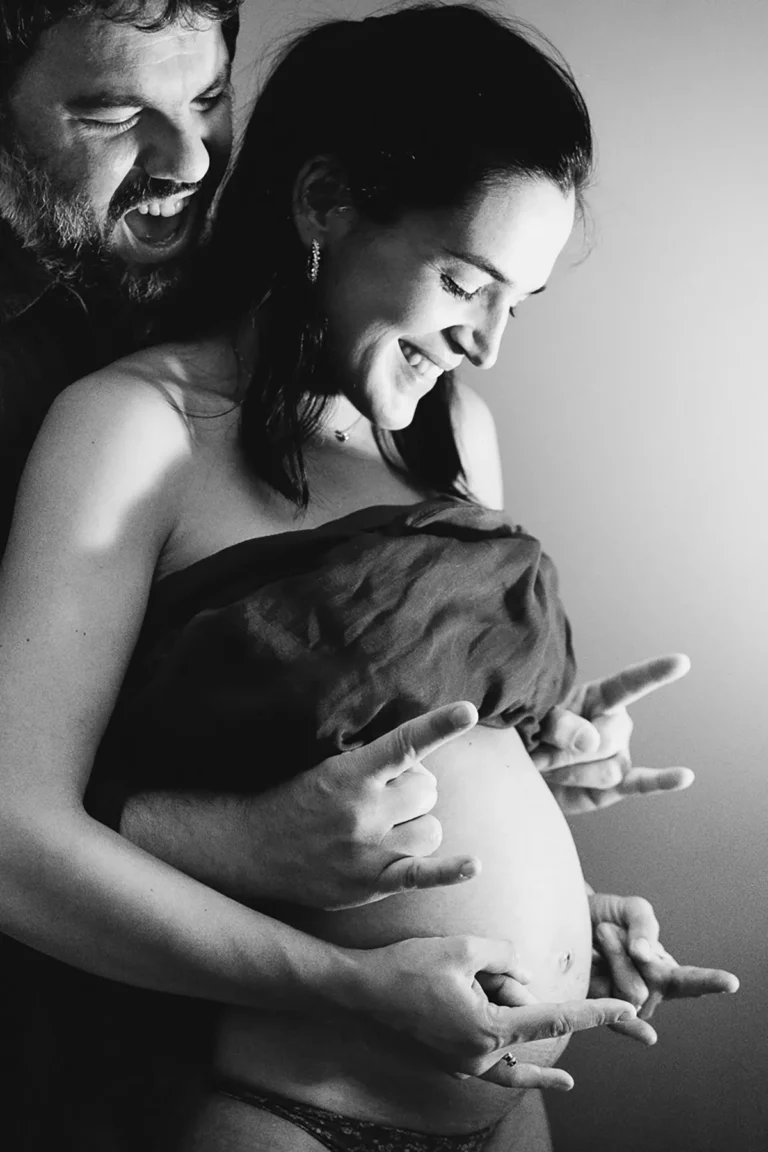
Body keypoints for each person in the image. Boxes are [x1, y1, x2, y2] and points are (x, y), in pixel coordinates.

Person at [0, 4, 738, 1150]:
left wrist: (546, 844)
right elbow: (14, 840)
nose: (487, 343)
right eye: (463, 282)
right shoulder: (134, 429)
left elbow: (391, 750)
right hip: (288, 1107)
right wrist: (349, 986)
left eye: (516, 301)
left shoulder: (453, 433)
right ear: (325, 206)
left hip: (507, 1105)